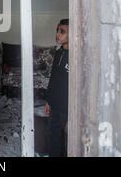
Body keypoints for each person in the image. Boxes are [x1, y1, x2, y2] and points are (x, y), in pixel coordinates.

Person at [44, 18, 69, 157]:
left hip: (68, 107)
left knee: (67, 139)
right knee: (53, 136)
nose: (58, 34)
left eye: (62, 31)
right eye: (57, 30)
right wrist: (48, 100)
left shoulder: (76, 56)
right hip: (55, 105)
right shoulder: (59, 53)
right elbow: (53, 78)